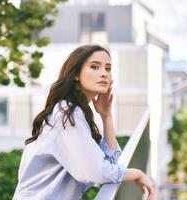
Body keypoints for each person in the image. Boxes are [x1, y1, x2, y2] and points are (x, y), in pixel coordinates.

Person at [13, 45, 154, 200]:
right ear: (76, 74)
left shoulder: (76, 112)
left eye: (108, 68)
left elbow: (110, 164)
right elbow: (98, 172)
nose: (103, 73)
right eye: (95, 67)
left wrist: (106, 116)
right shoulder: (66, 114)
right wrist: (137, 174)